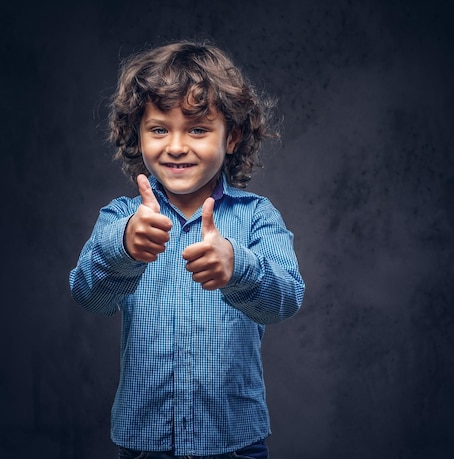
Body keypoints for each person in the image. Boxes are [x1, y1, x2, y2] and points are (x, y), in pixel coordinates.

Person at [69, 40, 304, 459]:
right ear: (137, 134)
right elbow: (89, 296)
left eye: (197, 129)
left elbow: (285, 300)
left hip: (235, 442)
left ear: (231, 137)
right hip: (144, 444)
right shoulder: (121, 217)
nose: (176, 146)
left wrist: (239, 268)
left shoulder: (258, 217)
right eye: (159, 129)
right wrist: (123, 248)